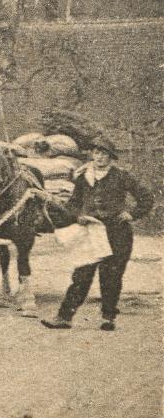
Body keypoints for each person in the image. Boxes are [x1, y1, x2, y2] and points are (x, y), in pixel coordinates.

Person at [41, 137, 154, 332]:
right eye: (96, 153)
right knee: (82, 275)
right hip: (91, 232)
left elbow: (146, 197)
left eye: (103, 153)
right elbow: (73, 203)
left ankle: (108, 318)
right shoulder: (84, 178)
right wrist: (78, 216)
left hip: (117, 232)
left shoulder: (122, 176)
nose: (99, 157)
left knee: (111, 276)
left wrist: (132, 214)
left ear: (111, 157)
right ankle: (64, 317)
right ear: (92, 155)